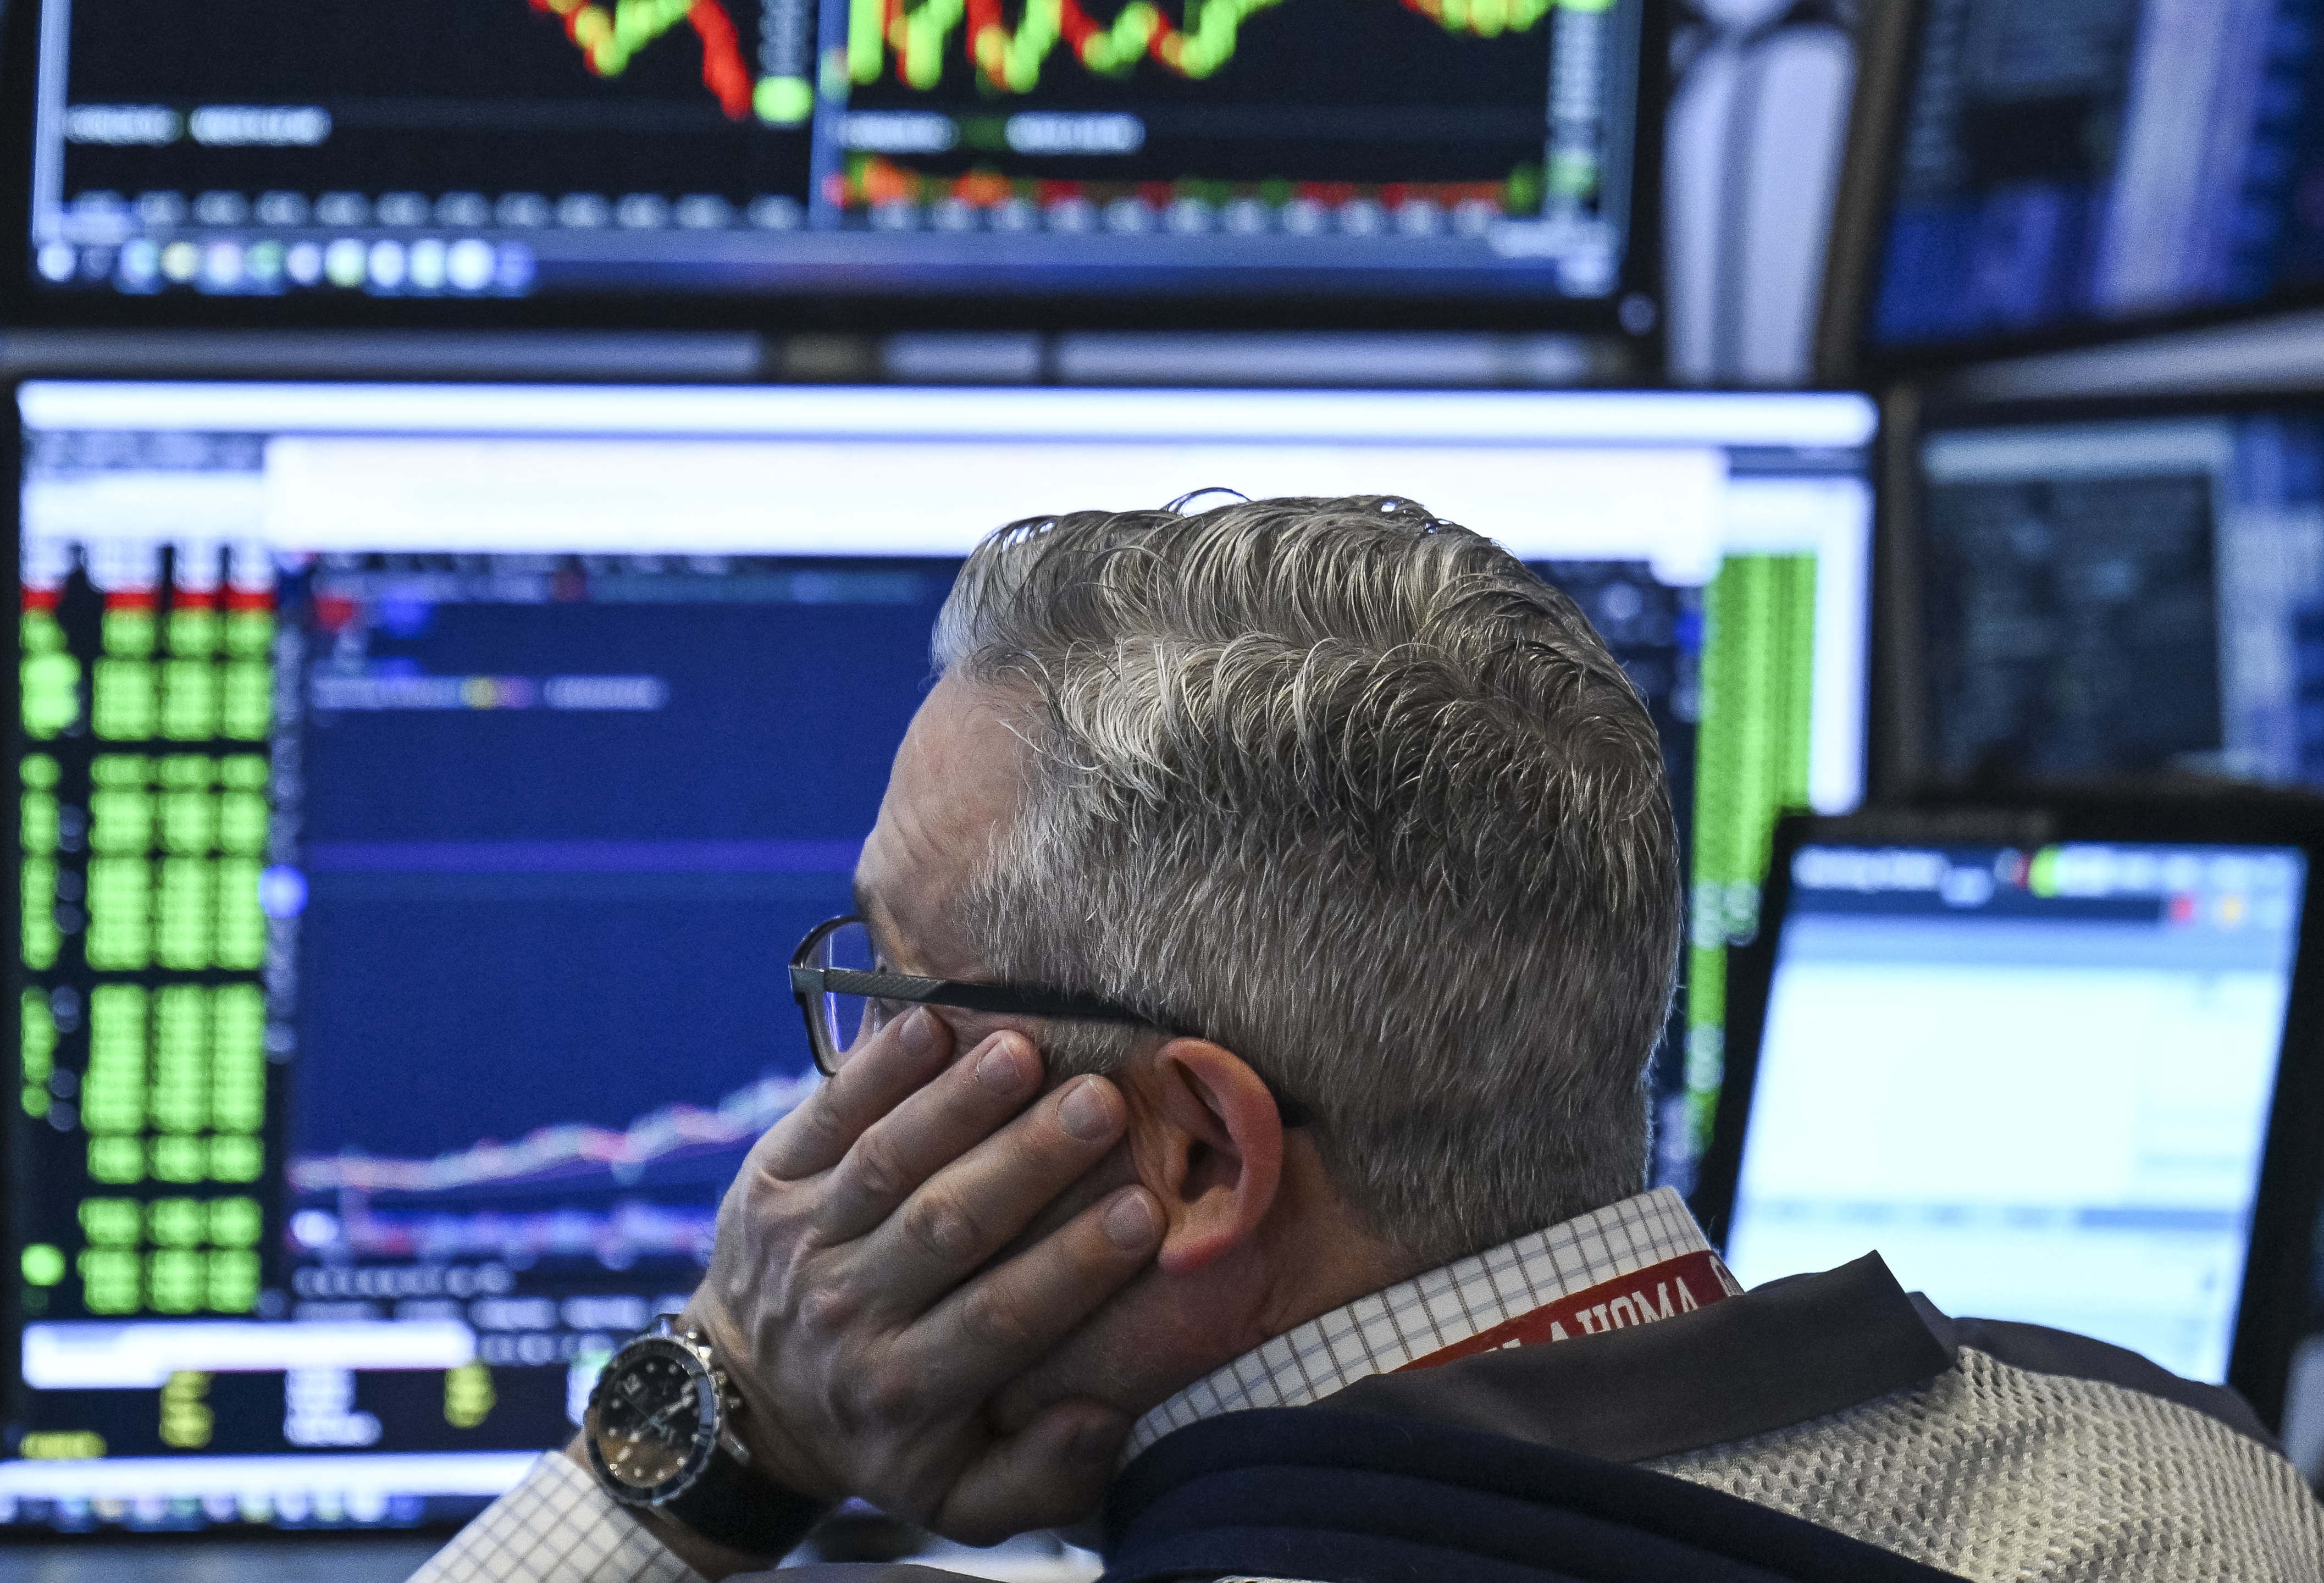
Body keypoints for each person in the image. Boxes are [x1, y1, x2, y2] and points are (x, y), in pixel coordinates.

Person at [416, 496, 2324, 1583]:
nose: (838, 1099)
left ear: (1190, 1159)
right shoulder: (2195, 1480)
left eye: (894, 1000)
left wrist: (725, 1417)